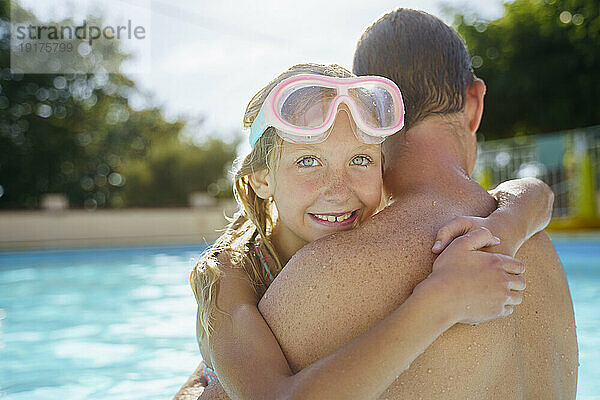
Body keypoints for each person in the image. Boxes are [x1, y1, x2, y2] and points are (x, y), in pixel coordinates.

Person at [175, 62, 555, 400]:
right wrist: (441, 302)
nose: (339, 191)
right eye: (308, 161)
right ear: (261, 180)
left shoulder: (373, 232)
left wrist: (500, 230)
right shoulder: (228, 273)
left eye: (360, 159)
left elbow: (536, 193)